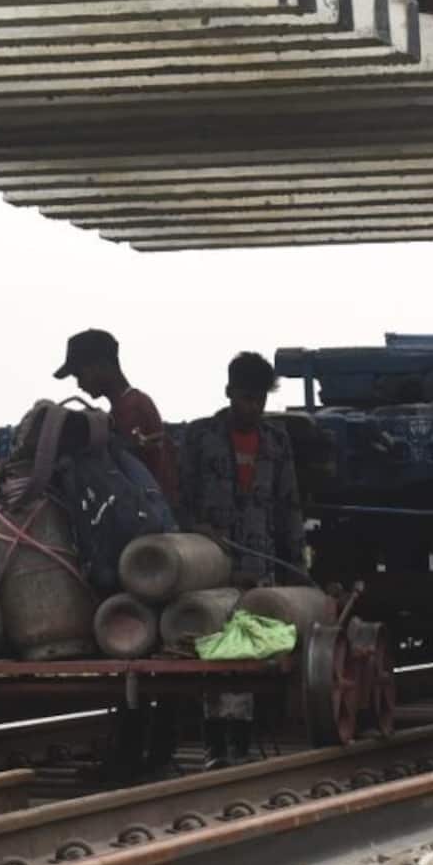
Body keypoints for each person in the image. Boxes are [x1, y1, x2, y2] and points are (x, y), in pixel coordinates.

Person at [178, 351, 308, 767]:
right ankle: (216, 744)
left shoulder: (277, 442)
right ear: (229, 392)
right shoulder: (200, 437)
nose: (252, 407)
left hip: (261, 563)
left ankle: (243, 742)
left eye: (259, 400)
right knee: (215, 652)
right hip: (213, 567)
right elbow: (179, 499)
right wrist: (194, 530)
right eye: (245, 398)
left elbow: (288, 506)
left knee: (251, 653)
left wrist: (297, 571)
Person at [54, 328, 178, 503]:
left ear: (103, 366)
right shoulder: (125, 405)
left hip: (150, 519)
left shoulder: (132, 408)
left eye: (80, 374)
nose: (79, 384)